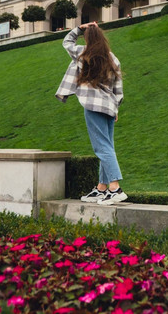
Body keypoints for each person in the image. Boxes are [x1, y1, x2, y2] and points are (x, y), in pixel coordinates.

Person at [55, 22, 127, 205]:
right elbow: (118, 88)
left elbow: (66, 41)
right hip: (109, 107)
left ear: (87, 39)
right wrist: (116, 108)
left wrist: (80, 28)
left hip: (93, 105)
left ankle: (115, 188)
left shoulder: (82, 53)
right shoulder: (113, 59)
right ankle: (101, 188)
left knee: (102, 148)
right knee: (107, 146)